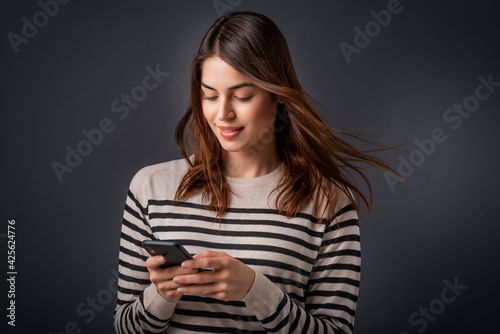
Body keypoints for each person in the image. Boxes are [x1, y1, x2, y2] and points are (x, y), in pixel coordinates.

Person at [113, 11, 397, 334]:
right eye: (210, 96)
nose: (223, 114)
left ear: (277, 95)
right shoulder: (150, 189)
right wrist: (161, 295)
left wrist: (253, 289)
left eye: (242, 96)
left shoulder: (329, 203)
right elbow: (125, 328)